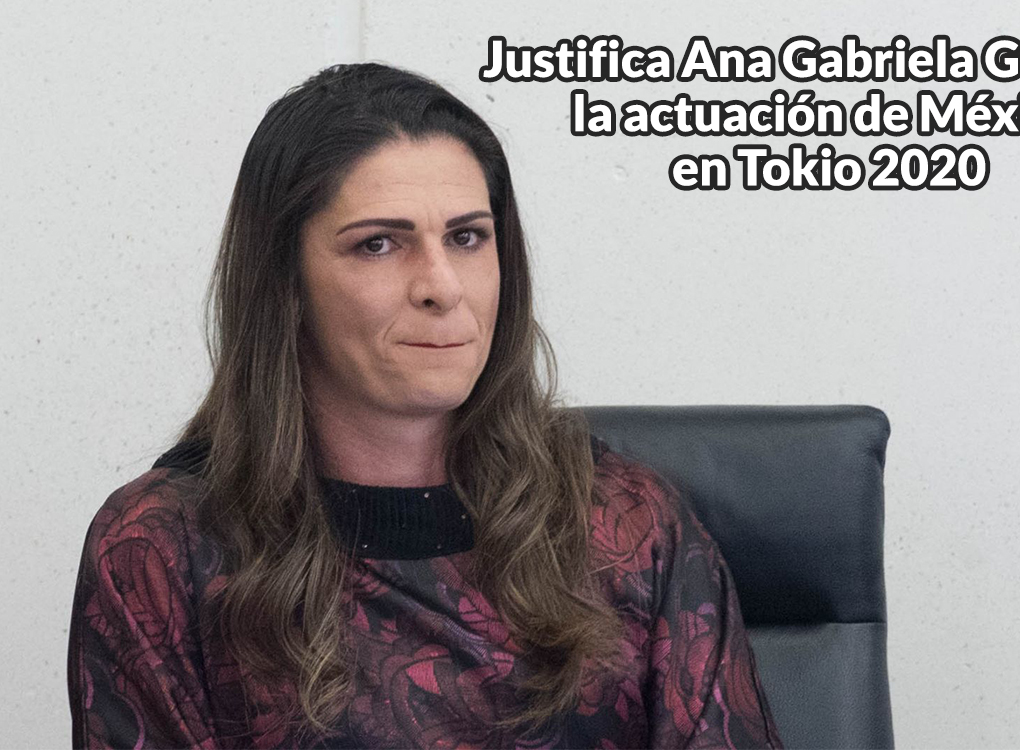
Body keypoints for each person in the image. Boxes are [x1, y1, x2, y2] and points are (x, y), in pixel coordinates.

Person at [66, 62, 783, 749]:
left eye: (467, 238)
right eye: (379, 245)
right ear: (285, 282)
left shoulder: (629, 523)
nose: (442, 286)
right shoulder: (163, 548)